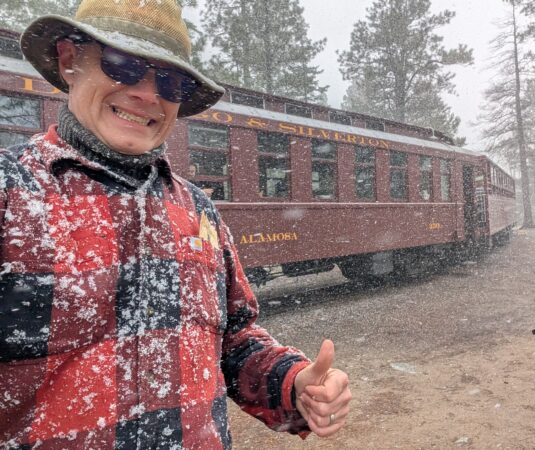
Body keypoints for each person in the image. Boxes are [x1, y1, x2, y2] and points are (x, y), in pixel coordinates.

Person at [0, 1, 351, 448]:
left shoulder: (199, 210)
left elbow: (232, 342)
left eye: (169, 80)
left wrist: (294, 383)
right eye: (123, 64)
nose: (148, 94)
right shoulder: (9, 193)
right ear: (69, 59)